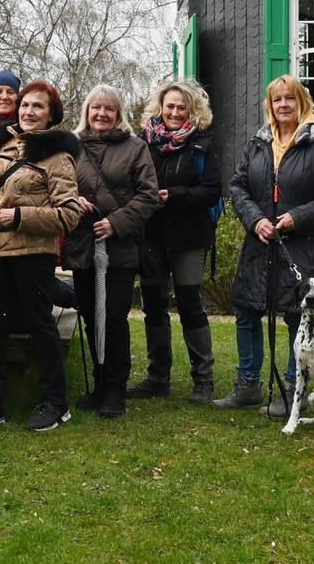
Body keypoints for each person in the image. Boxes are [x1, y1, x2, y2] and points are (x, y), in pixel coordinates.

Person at [213, 74, 314, 418]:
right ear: (270, 106)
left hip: (304, 247)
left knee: (296, 315)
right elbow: (238, 187)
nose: (283, 105)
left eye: (290, 98)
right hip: (260, 244)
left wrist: (296, 217)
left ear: (301, 102)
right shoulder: (258, 143)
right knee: (247, 312)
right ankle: (247, 386)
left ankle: (293, 391)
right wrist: (255, 219)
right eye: (277, 100)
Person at [0, 80, 83, 431]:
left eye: (38, 107)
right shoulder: (3, 144)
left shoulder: (58, 157)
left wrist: (21, 217)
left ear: (51, 115)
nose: (29, 112)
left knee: (39, 325)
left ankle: (55, 402)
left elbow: (68, 214)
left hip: (32, 253)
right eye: (25, 106)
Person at [63, 85, 160, 419]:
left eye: (108, 109)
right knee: (91, 315)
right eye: (95, 108)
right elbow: (58, 187)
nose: (101, 114)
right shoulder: (71, 147)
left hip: (119, 248)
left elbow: (148, 196)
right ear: (86, 112)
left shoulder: (136, 148)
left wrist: (116, 223)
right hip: (82, 243)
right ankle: (100, 385)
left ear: (118, 114)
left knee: (114, 318)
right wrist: (70, 201)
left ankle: (116, 390)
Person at [128, 79, 222, 404]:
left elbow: (212, 190)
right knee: (153, 304)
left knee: (189, 304)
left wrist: (175, 195)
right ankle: (157, 378)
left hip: (189, 236)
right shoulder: (143, 142)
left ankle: (204, 381)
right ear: (160, 107)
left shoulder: (202, 145)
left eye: (182, 107)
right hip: (152, 236)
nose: (175, 112)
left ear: (192, 110)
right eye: (170, 106)